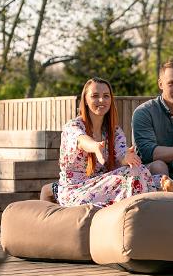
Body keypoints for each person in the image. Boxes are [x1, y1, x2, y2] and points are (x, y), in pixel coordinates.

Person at [55, 77, 157, 207]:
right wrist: (95, 147)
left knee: (142, 172)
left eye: (106, 96)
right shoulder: (73, 126)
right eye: (95, 96)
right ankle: (136, 216)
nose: (101, 100)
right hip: (76, 190)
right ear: (85, 100)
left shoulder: (114, 131)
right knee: (135, 177)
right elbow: (81, 140)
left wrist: (127, 158)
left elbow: (121, 154)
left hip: (102, 184)